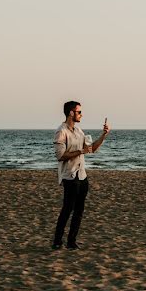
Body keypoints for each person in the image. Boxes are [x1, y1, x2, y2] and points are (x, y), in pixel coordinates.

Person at [52, 100, 111, 250]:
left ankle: (72, 242)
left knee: (79, 211)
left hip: (82, 176)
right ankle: (57, 241)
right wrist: (80, 151)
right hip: (70, 176)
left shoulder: (79, 131)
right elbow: (60, 155)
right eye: (79, 112)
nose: (81, 115)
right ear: (71, 113)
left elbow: (90, 149)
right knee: (67, 210)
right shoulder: (61, 131)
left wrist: (104, 135)